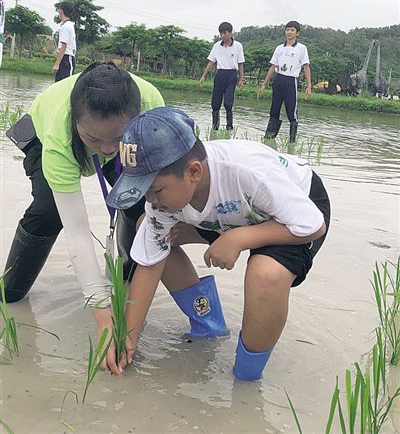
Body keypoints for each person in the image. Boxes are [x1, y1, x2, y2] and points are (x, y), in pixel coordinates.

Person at [106, 107, 331, 381]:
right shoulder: (164, 201)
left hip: (290, 215)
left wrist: (238, 238)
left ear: (194, 172)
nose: (151, 200)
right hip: (228, 217)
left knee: (265, 274)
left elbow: (313, 225)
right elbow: (150, 264)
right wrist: (127, 340)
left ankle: (246, 377)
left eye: (156, 190)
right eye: (143, 192)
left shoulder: (247, 172)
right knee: (149, 230)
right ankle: (209, 325)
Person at [2, 61, 164, 375]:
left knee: (137, 202)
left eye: (114, 141)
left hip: (119, 136)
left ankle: (129, 277)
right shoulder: (60, 135)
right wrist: (104, 320)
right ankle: (9, 289)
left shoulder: (151, 105)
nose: (106, 151)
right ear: (76, 121)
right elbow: (77, 232)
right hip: (43, 135)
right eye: (94, 141)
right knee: (49, 212)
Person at [257, 21, 311, 144]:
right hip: (278, 79)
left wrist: (309, 86)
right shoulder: (279, 48)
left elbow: (306, 67)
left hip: (291, 81)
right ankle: (269, 139)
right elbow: (273, 67)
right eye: (287, 30)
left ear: (297, 33)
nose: (289, 32)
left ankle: (292, 141)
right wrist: (264, 84)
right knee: (274, 110)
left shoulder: (301, 49)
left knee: (291, 112)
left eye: (292, 30)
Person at [199, 22, 245, 131]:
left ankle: (229, 127)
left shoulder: (238, 46)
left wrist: (241, 78)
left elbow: (240, 63)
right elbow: (211, 62)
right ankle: (215, 128)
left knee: (228, 103)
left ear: (230, 33)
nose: (223, 36)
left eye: (225, 33)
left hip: (232, 75)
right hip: (220, 75)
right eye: (221, 33)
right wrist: (203, 76)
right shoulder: (217, 46)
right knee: (215, 103)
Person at [53, 2, 76, 82]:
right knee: (58, 85)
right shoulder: (66, 25)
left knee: (66, 85)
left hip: (67, 59)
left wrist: (56, 64)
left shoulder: (66, 26)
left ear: (61, 11)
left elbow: (64, 46)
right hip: (64, 58)